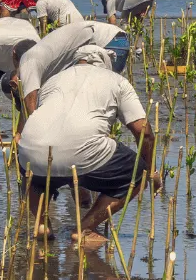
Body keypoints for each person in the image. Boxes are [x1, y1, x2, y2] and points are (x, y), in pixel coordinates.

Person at [15, 42, 157, 249]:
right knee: (137, 173)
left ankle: (42, 225)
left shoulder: (52, 81)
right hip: (82, 155)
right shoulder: (117, 81)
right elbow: (144, 132)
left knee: (33, 176)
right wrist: (150, 171)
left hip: (30, 153)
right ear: (106, 64)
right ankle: (85, 229)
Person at [17, 19, 130, 110]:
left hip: (106, 41)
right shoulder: (43, 64)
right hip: (118, 38)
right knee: (105, 102)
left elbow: (30, 106)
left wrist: (24, 135)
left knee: (95, 103)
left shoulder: (27, 60)